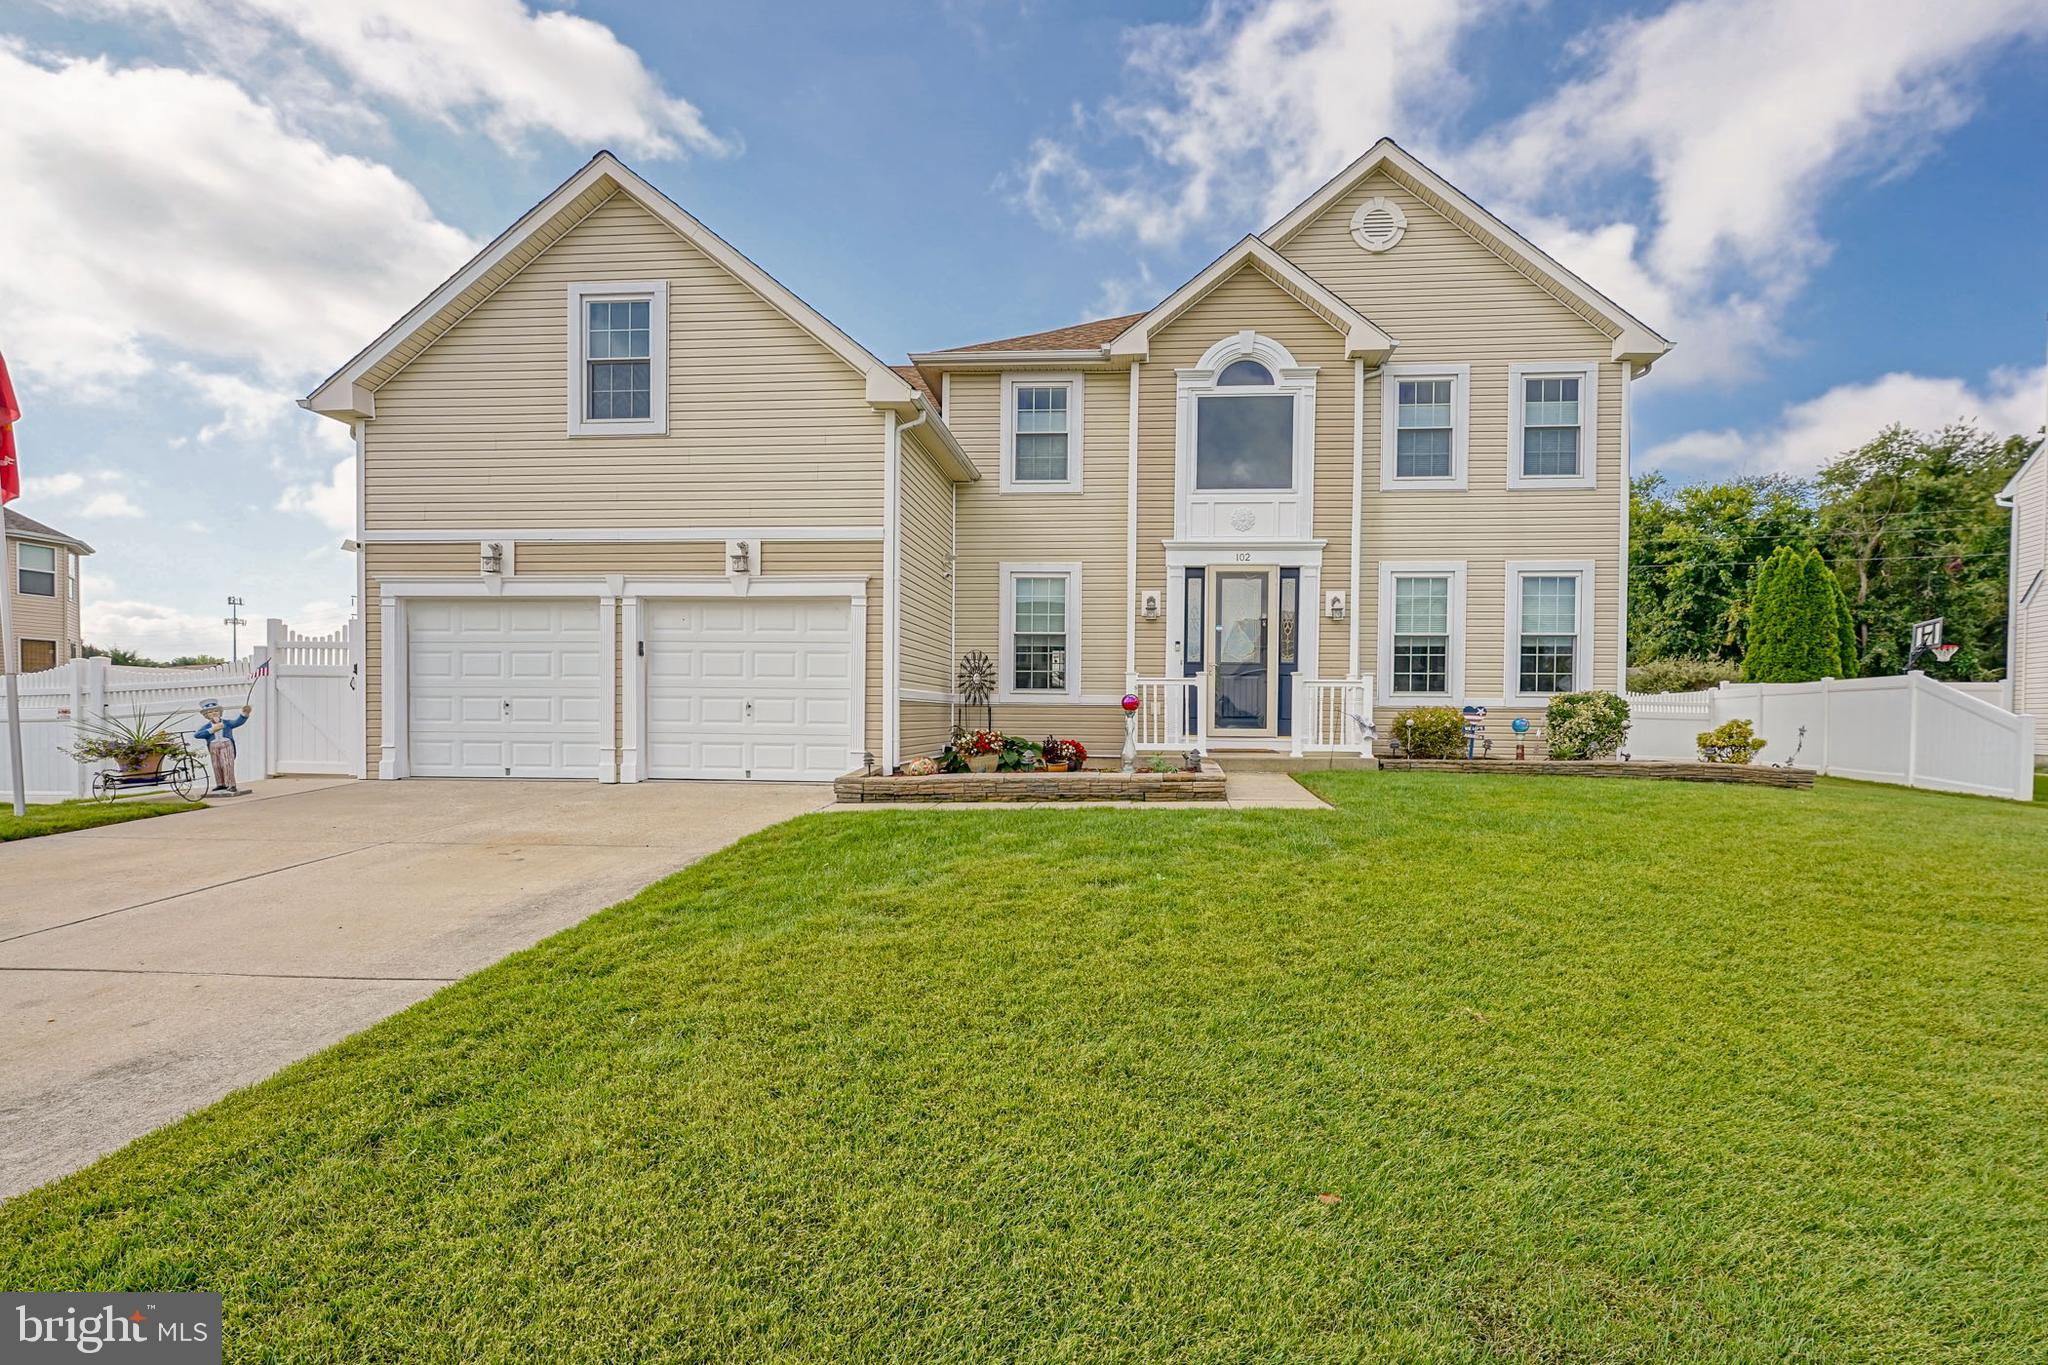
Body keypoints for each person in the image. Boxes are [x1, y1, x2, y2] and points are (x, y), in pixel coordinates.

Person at [193, 698, 250, 795]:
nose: (214, 713)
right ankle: (221, 783)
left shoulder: (226, 723)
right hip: (213, 746)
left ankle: (231, 784)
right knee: (216, 765)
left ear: (220, 712)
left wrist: (244, 714)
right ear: (206, 715)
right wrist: (212, 730)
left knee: (227, 764)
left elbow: (237, 722)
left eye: (216, 711)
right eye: (210, 712)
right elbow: (197, 735)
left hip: (226, 744)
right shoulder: (208, 726)